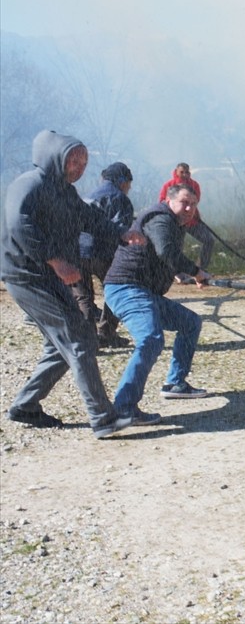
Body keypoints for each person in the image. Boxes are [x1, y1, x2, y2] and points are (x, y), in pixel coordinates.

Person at [1, 130, 146, 438]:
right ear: (55, 156)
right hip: (26, 275)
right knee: (79, 339)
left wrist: (122, 233)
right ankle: (103, 419)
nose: (79, 166)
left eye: (84, 161)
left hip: (47, 275)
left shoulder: (64, 191)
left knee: (65, 345)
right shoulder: (29, 184)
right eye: (74, 159)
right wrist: (55, 259)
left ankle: (25, 406)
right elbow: (19, 224)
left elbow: (90, 218)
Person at [103, 185, 214, 426]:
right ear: (167, 199)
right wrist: (196, 272)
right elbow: (166, 250)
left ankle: (176, 383)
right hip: (127, 288)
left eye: (193, 205)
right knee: (151, 339)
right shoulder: (161, 218)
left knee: (190, 322)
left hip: (143, 291)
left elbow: (160, 253)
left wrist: (174, 271)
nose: (188, 208)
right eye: (184, 202)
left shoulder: (172, 223)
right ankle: (123, 408)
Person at [72, 161, 136, 348]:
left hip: (78, 252)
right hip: (101, 252)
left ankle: (88, 341)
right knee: (117, 290)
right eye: (129, 185)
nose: (129, 189)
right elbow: (121, 232)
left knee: (84, 297)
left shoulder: (90, 195)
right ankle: (106, 333)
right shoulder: (120, 199)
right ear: (122, 181)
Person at [158, 162, 216, 276]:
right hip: (175, 222)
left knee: (209, 240)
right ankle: (176, 273)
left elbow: (195, 201)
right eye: (182, 172)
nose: (184, 174)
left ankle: (201, 269)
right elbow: (161, 201)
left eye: (187, 172)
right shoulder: (168, 185)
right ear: (176, 172)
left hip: (192, 220)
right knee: (175, 247)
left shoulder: (195, 185)